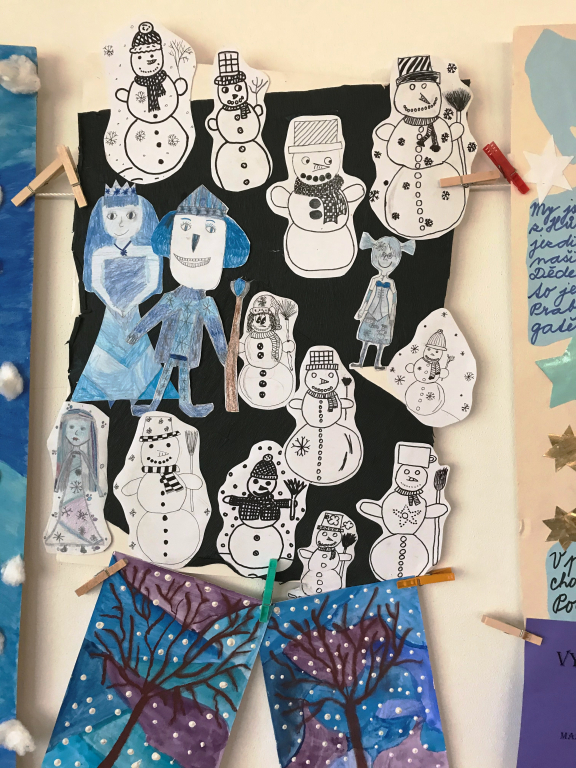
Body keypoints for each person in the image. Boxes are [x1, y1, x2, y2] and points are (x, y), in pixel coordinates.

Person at [127, 185, 250, 418]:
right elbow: (155, 314)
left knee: (182, 372)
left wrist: (225, 357)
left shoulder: (206, 303)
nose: (194, 241)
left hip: (187, 347)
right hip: (170, 342)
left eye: (210, 230)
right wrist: (136, 332)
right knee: (166, 371)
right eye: (185, 227)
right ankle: (154, 404)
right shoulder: (173, 297)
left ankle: (185, 404)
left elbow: (215, 331)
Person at [72, 181, 168, 405]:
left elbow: (152, 284)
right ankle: (103, 391)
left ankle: (141, 392)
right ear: (101, 219)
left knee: (138, 351)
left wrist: (131, 304)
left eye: (130, 215)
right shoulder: (100, 253)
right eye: (112, 216)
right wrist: (114, 305)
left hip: (132, 310)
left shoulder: (148, 251)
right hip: (112, 311)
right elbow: (96, 283)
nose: (121, 222)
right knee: (108, 350)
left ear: (143, 217)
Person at [350, 233, 415, 370]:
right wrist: (362, 309)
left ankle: (377, 363)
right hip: (371, 311)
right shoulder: (374, 279)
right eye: (382, 255)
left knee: (381, 341)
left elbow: (394, 300)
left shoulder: (391, 282)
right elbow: (368, 296)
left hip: (385, 313)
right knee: (366, 339)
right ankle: (360, 362)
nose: (385, 260)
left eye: (389, 256)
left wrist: (392, 315)